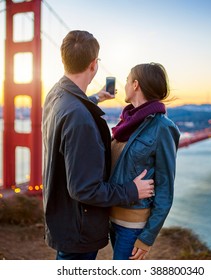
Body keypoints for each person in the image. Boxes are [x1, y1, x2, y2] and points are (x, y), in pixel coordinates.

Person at [42, 30, 154, 260]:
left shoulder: (55, 95)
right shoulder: (80, 119)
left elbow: (70, 111)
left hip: (62, 218)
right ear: (94, 65)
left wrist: (94, 98)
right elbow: (85, 189)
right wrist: (132, 190)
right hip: (79, 230)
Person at [109, 62, 180, 260]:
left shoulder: (163, 127)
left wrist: (148, 236)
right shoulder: (126, 122)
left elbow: (165, 187)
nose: (124, 85)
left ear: (135, 85)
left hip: (133, 227)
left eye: (126, 80)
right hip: (110, 218)